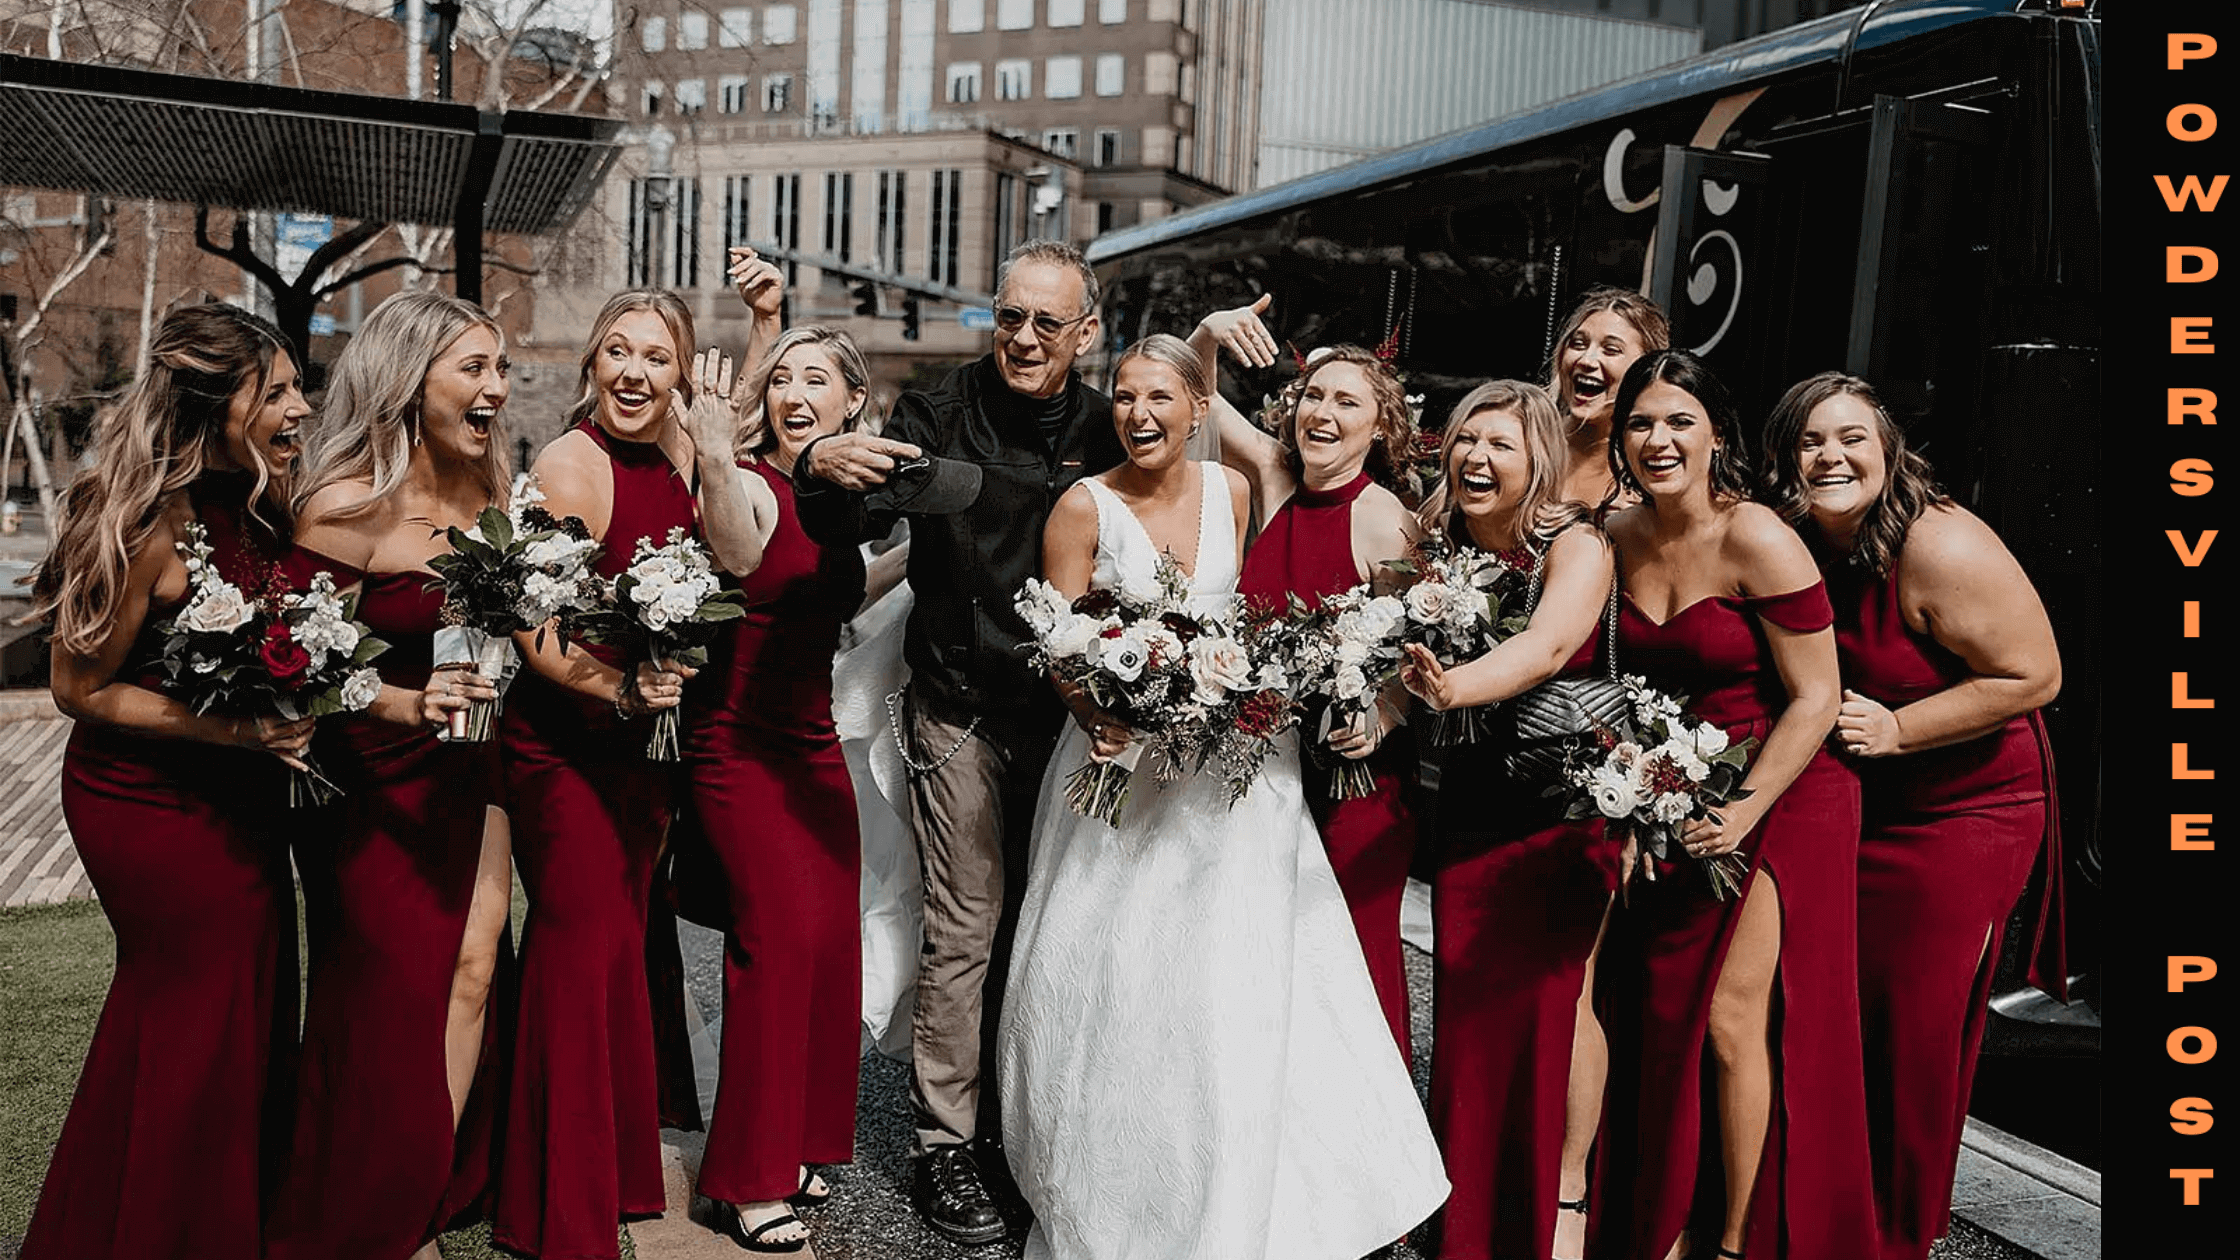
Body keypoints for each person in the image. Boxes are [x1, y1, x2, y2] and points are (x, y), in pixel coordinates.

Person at [998, 334, 1449, 1260]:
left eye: (1161, 396)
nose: (1140, 414)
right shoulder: (1081, 508)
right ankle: (1111, 1186)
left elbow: (1267, 619)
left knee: (1240, 980)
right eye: (1123, 397)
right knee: (1115, 975)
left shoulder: (1238, 494)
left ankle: (1252, 1181)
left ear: (1198, 412)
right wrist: (1099, 710)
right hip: (1120, 771)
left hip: (1237, 776)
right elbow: (1057, 646)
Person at [791, 238, 1124, 1242]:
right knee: (967, 927)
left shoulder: (1112, 426)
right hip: (957, 703)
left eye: (1044, 323)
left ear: (1086, 333)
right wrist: (818, 466)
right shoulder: (938, 405)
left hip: (1072, 720)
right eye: (1008, 316)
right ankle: (944, 1148)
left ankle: (1025, 1134)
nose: (1021, 337)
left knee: (1053, 929)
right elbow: (855, 510)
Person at [24, 303, 316, 1259]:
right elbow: (79, 690)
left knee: (249, 1000)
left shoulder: (261, 499)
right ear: (213, 401)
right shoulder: (142, 520)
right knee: (193, 1011)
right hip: (145, 801)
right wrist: (236, 730)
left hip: (240, 796)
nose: (297, 407)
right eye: (274, 392)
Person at [1761, 372, 2065, 1260]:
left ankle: (1898, 1237)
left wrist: (1899, 728)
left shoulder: (1939, 546)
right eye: (1812, 441)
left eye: (1853, 437)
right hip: (1871, 806)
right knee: (1837, 1016)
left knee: (1913, 1031)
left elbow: (2034, 677)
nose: (1832, 456)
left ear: (1889, 449)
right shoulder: (1796, 540)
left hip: (1968, 813)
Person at [1589, 351, 1872, 1260]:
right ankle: (1666, 1211)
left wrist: (1743, 812)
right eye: (1641, 423)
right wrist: (1631, 802)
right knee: (1658, 1008)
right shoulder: (1616, 533)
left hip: (1783, 792)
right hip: (1674, 794)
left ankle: (1736, 1240)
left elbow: (1818, 697)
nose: (1658, 440)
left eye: (1679, 421)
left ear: (1716, 431)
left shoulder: (1758, 536)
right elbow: (1611, 685)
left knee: (1726, 1014)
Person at [264, 291, 513, 1260]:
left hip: (473, 758)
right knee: (381, 998)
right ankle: (372, 1209)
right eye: (475, 368)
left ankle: (423, 1191)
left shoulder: (489, 490)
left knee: (475, 967)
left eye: (498, 368)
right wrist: (404, 703)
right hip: (370, 778)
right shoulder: (341, 505)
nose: (494, 387)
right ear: (412, 380)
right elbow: (296, 664)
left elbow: (489, 634)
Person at [1397, 380, 1616, 1260]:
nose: (1477, 459)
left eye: (1501, 446)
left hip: (1559, 807)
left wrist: (1454, 686)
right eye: (1465, 441)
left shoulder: (1578, 542)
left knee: (1549, 1007)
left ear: (1540, 463)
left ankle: (1552, 1206)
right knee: (1467, 1006)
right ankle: (1464, 1212)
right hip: (1471, 805)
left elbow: (1550, 646)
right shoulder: (1436, 540)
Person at [676, 326, 877, 1254]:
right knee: (778, 940)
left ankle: (795, 1142)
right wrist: (715, 450)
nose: (795, 392)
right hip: (738, 746)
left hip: (815, 746)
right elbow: (743, 557)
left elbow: (856, 587)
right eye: (784, 376)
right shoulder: (752, 479)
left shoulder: (844, 501)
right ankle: (744, 1183)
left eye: (817, 379)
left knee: (830, 943)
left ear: (852, 405)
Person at [1194, 296, 1423, 1064]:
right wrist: (1206, 335)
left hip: (1355, 781)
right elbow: (1195, 395)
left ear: (1380, 427)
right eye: (1314, 395)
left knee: (1354, 956)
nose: (1322, 411)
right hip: (1265, 774)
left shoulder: (1386, 517)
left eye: (1346, 400)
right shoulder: (1273, 477)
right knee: (1274, 954)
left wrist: (1382, 713)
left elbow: (1422, 650)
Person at [1547, 288, 1669, 506]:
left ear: (1646, 368)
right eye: (1578, 344)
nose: (1586, 359)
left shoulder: (1657, 469)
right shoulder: (1528, 444)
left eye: (1611, 349)